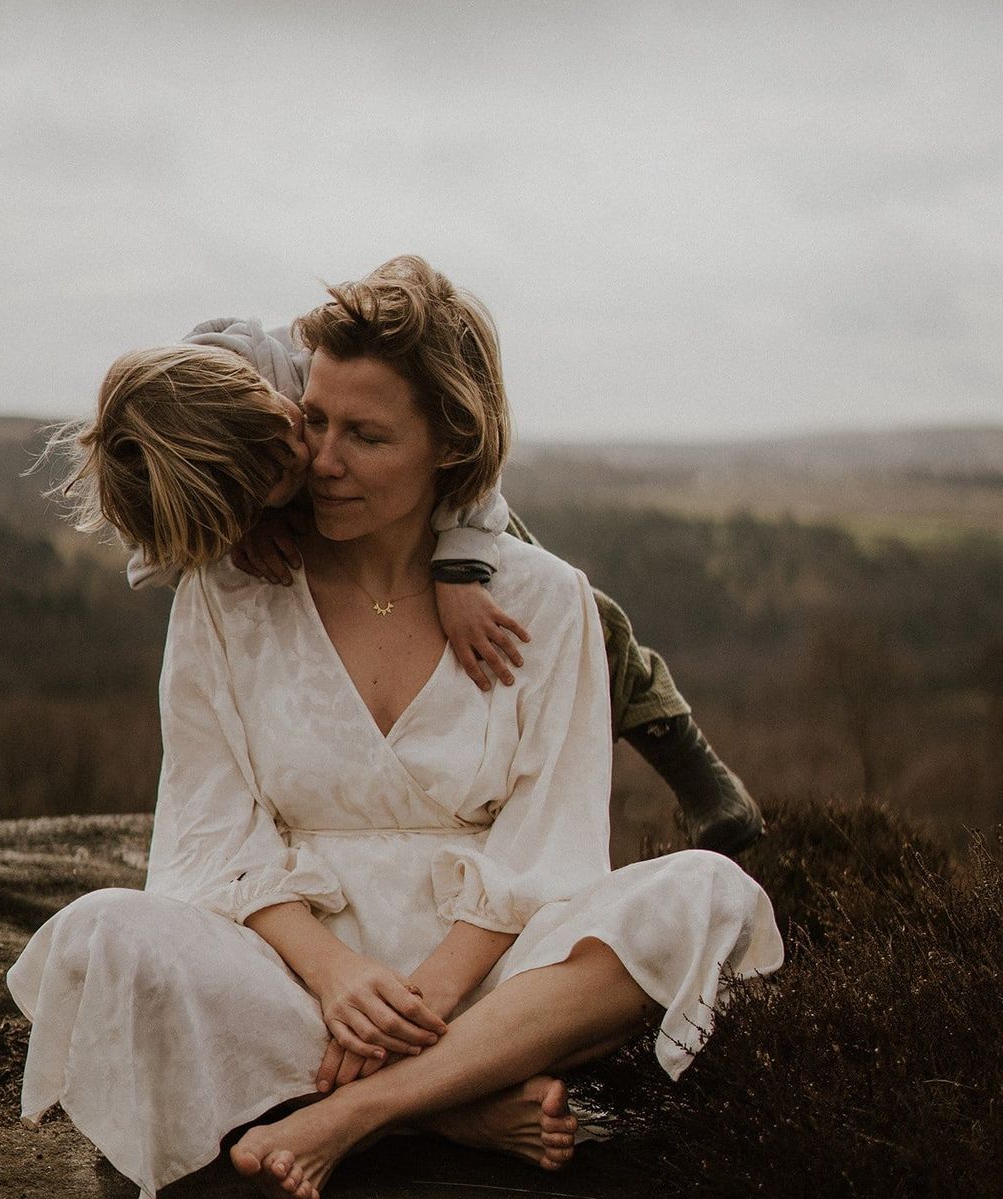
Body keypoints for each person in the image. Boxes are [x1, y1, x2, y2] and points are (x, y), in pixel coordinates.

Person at [8, 256, 782, 1199]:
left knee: (705, 897)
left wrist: (426, 996)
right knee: (100, 936)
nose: (323, 460)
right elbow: (209, 831)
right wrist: (335, 978)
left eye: (366, 436)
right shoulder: (231, 591)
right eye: (316, 423)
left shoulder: (543, 598)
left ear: (449, 452)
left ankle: (344, 1114)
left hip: (495, 966)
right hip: (292, 970)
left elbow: (553, 841)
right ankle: (449, 1105)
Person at [47, 312, 764, 856]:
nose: (310, 453)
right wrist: (239, 532)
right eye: (274, 475)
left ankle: (690, 761)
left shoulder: (294, 370)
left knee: (576, 614)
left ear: (261, 392)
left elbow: (471, 482)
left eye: (290, 429)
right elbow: (161, 559)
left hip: (447, 516)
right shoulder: (199, 476)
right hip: (325, 541)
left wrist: (459, 567)